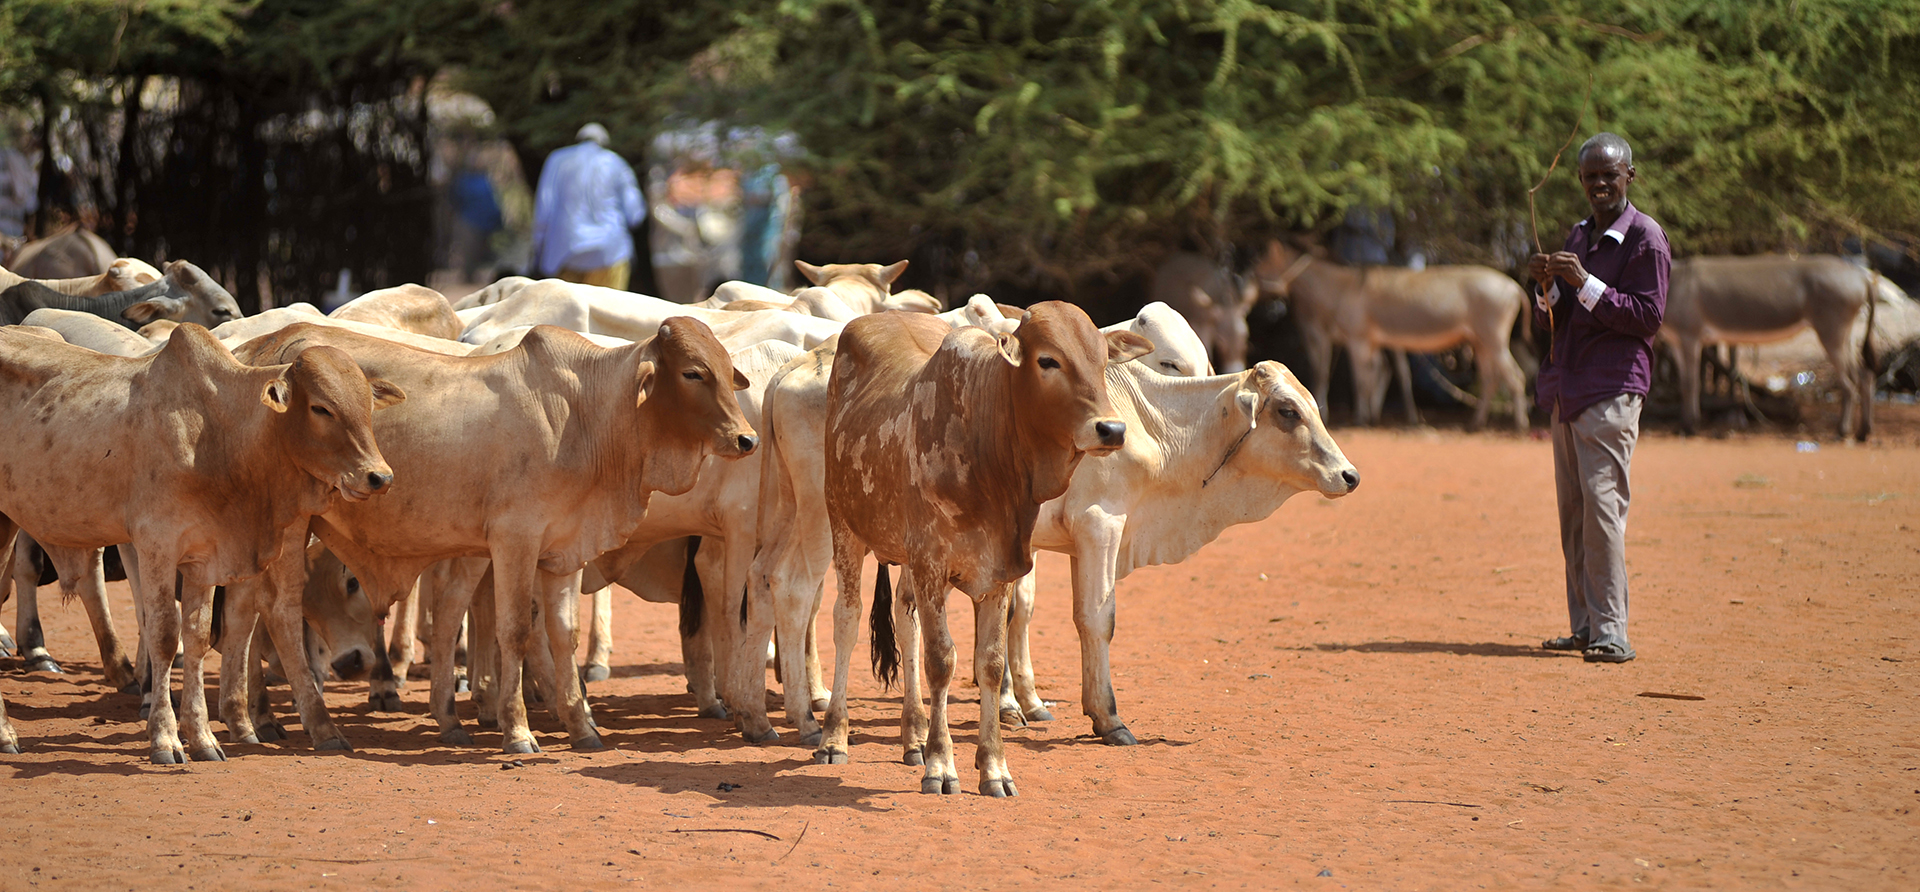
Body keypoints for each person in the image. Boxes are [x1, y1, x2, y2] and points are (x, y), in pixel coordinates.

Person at [1527, 132, 1670, 664]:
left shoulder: (1645, 239)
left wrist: (1583, 281)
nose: (1600, 184)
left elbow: (1648, 317)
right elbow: (1553, 317)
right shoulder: (1580, 234)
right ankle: (1585, 626)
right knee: (1575, 511)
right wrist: (1543, 288)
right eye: (1591, 177)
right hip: (1569, 385)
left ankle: (1613, 631)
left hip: (1612, 389)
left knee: (1604, 508)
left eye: (1609, 175)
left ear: (1629, 175)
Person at [531, 123, 647, 290]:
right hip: (610, 252)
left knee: (569, 313)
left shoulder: (556, 160)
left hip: (566, 253)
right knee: (608, 311)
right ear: (604, 143)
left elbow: (543, 210)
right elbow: (635, 214)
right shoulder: (616, 162)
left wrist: (538, 250)